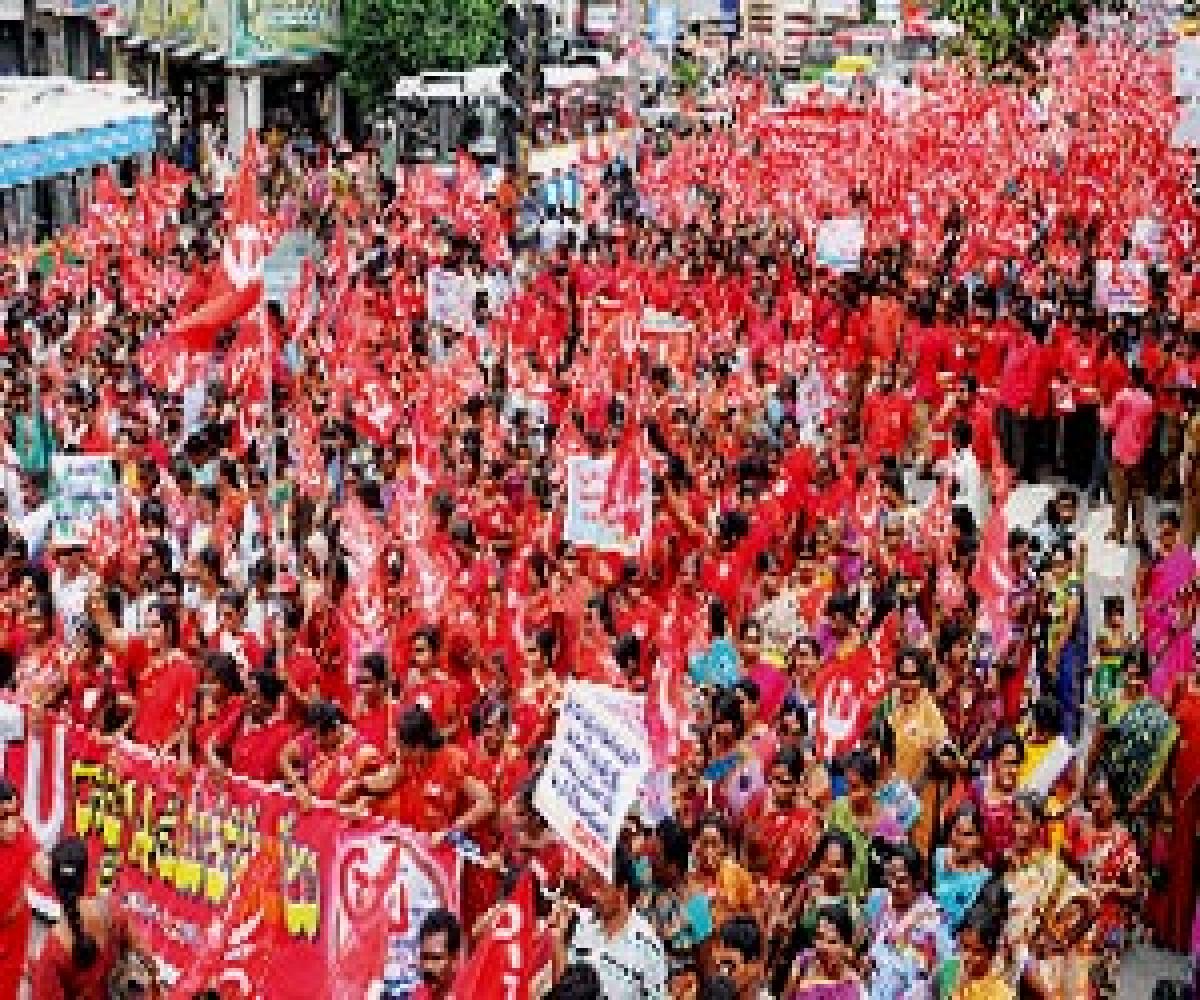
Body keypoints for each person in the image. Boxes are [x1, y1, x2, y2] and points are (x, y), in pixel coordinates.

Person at [29, 837, 156, 999]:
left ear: (53, 882)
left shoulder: (54, 949)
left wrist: (37, 972)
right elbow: (144, 954)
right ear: (88, 875)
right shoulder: (113, 912)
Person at [552, 844, 669, 1000]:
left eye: (600, 886)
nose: (593, 894)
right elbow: (563, 989)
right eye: (591, 884)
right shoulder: (578, 924)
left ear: (623, 890)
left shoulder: (648, 946)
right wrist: (558, 940)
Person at [0, 777, 37, 1000]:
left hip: (14, 937)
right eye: (3, 817)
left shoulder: (22, 834)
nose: (12, 823)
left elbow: (43, 864)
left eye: (16, 812)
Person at [413, 908, 462, 1000]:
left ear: (455, 958)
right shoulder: (420, 994)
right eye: (424, 957)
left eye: (436, 958)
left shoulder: (471, 993)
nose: (428, 966)